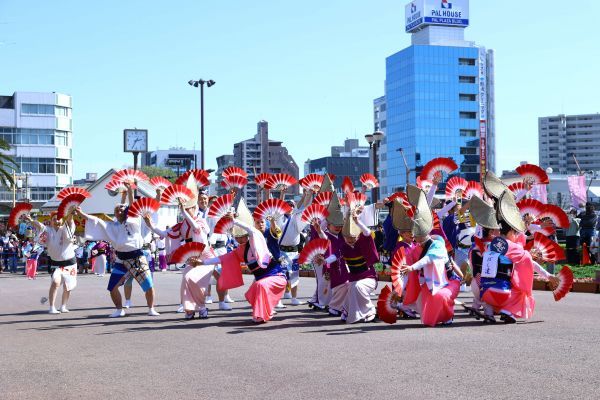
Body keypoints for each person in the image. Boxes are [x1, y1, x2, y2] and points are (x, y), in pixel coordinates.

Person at [76, 182, 159, 318]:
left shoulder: (133, 220)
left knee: (149, 285)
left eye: (122, 208)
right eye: (117, 209)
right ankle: (120, 309)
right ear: (114, 213)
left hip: (137, 257)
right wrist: (82, 213)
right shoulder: (112, 226)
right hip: (121, 259)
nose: (120, 210)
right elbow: (96, 221)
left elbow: (132, 207)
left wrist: (130, 191)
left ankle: (151, 308)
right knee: (112, 286)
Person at [198, 199, 287, 323]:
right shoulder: (239, 251)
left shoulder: (257, 237)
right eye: (237, 238)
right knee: (251, 293)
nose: (239, 240)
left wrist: (234, 221)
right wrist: (201, 262)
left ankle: (261, 316)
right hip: (262, 279)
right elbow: (221, 258)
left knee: (259, 286)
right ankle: (268, 310)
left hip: (276, 276)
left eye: (242, 237)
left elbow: (251, 230)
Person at [27, 212, 78, 314]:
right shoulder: (47, 230)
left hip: (70, 263)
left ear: (62, 220)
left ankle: (63, 306)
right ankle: (52, 307)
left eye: (59, 218)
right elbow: (39, 225)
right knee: (55, 283)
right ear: (51, 221)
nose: (57, 220)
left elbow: (70, 220)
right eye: (54, 219)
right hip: (56, 263)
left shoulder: (66, 228)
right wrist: (31, 220)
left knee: (68, 286)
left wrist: (71, 212)